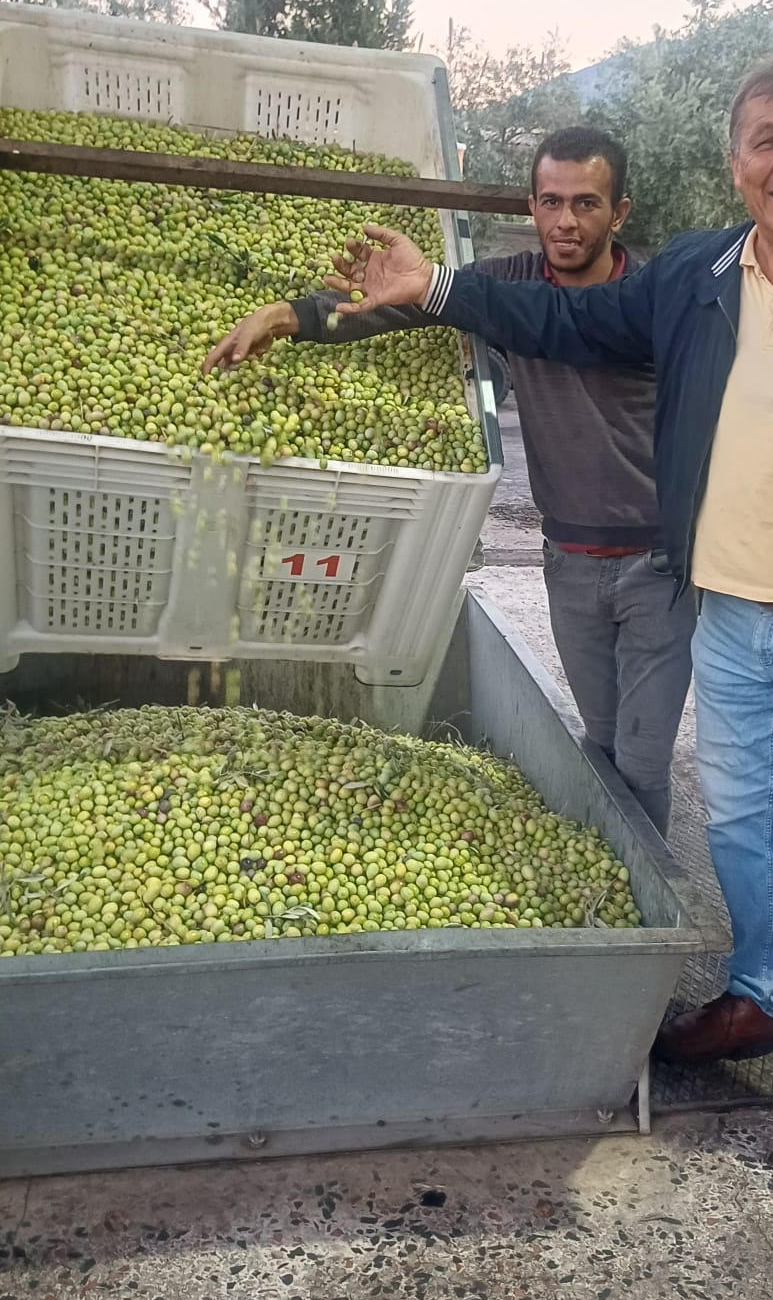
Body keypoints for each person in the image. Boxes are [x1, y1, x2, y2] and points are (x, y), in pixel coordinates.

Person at [321, 52, 773, 1201]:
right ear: (736, 160)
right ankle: (765, 995)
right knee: (742, 832)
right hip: (729, 619)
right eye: (767, 141)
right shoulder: (697, 274)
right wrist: (436, 288)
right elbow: (564, 318)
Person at [205, 126, 696, 834]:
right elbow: (399, 303)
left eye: (586, 204)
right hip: (569, 562)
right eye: (551, 202)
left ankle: (652, 890)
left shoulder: (650, 297)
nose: (565, 221)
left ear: (619, 212)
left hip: (657, 567)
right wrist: (286, 316)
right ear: (531, 206)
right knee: (601, 742)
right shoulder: (509, 282)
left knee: (643, 763)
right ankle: (619, 866)